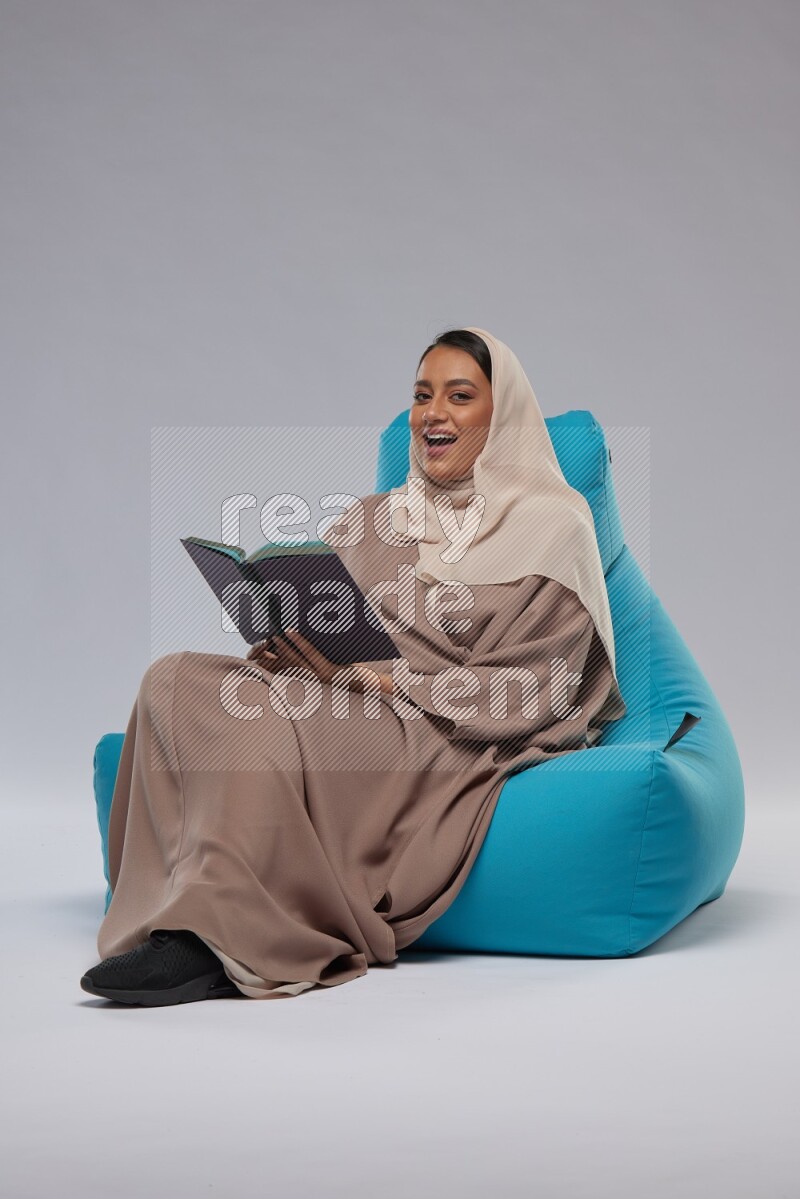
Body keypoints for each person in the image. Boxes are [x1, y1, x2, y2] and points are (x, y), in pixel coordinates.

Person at [80, 326, 627, 1006]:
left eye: (460, 396)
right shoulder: (374, 518)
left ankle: (220, 940)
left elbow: (540, 688)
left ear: (502, 414)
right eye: (423, 395)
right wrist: (292, 648)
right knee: (174, 679)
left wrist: (384, 682)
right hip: (347, 694)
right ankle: (170, 908)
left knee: (272, 725)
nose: (434, 413)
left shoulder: (554, 524)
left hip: (441, 726)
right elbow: (338, 633)